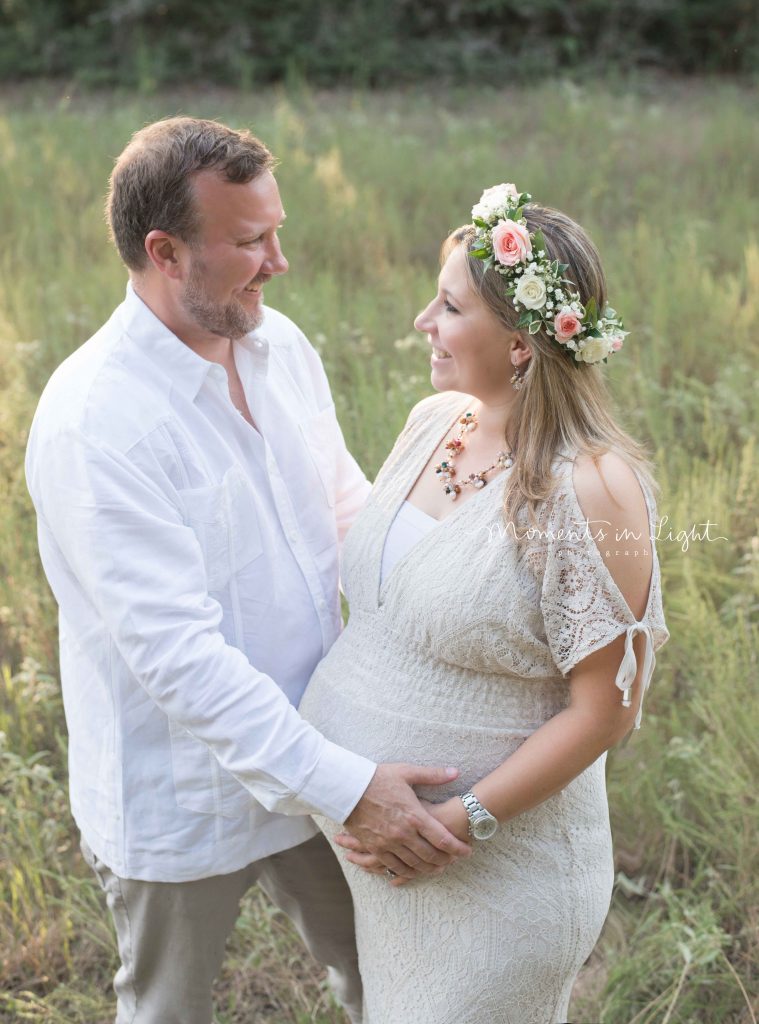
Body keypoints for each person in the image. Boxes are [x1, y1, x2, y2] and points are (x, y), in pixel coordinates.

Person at [24, 117, 471, 1024]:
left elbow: (347, 511)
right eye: (248, 241)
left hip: (326, 740)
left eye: (278, 231)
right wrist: (350, 791)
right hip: (182, 794)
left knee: (390, 982)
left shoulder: (280, 348)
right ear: (165, 252)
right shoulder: (95, 422)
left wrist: (473, 587)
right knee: (166, 1009)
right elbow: (179, 660)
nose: (279, 261)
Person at [299, 183, 670, 1023]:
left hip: (494, 879)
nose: (421, 322)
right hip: (392, 864)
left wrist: (461, 822)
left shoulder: (592, 487)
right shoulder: (436, 421)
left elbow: (608, 708)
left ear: (520, 342)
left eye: (448, 306)